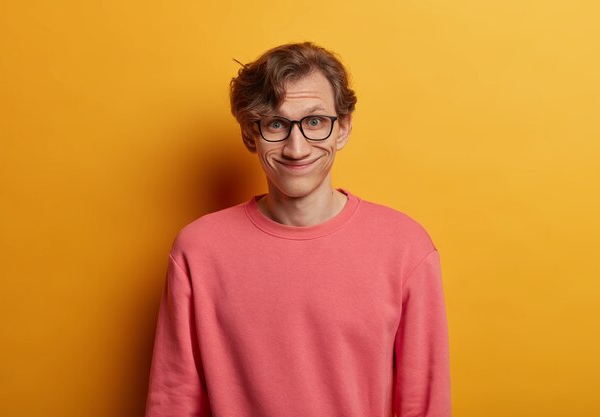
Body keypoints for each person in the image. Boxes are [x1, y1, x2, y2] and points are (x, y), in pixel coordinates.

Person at [146, 42, 451, 417]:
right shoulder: (198, 251)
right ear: (248, 135)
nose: (296, 147)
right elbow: (173, 399)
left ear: (343, 128)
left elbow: (425, 403)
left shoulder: (405, 247)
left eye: (315, 122)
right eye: (276, 124)